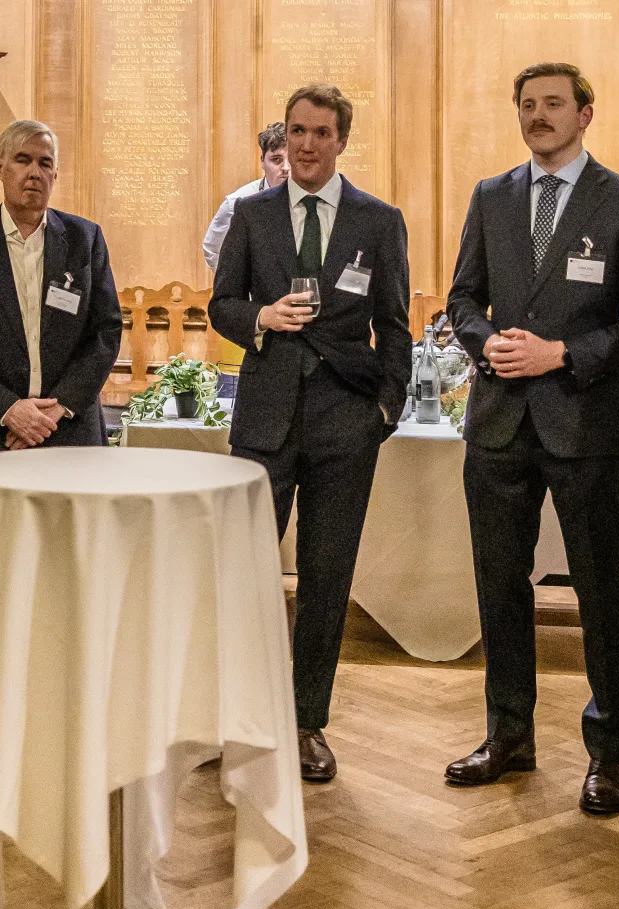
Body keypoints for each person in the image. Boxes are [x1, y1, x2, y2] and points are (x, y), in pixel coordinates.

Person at [444, 62, 619, 815]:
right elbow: (462, 296)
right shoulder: (492, 195)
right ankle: (508, 734)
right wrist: (485, 343)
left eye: (553, 105)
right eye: (528, 105)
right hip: (500, 422)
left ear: (585, 113)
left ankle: (610, 753)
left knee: (600, 592)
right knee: (499, 584)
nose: (539, 116)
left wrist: (564, 355)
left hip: (584, 423)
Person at [208, 84, 411, 784]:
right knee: (245, 575)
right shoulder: (252, 213)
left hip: (345, 423)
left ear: (340, 141)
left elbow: (398, 324)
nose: (306, 144)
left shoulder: (377, 221)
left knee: (326, 580)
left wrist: (385, 408)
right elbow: (220, 304)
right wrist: (259, 319)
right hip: (264, 421)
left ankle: (304, 722)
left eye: (321, 133)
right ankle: (237, 717)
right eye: (297, 131)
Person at [0, 120, 122, 461]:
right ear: (0, 168)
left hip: (70, 430)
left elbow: (105, 331)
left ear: (55, 174)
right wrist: (8, 409)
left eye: (45, 163)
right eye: (22, 159)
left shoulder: (84, 240)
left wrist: (59, 406)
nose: (34, 172)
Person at [203, 121, 289, 272]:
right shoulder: (237, 202)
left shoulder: (311, 197)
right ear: (262, 161)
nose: (286, 168)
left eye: (292, 160)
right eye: (277, 160)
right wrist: (236, 284)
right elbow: (212, 248)